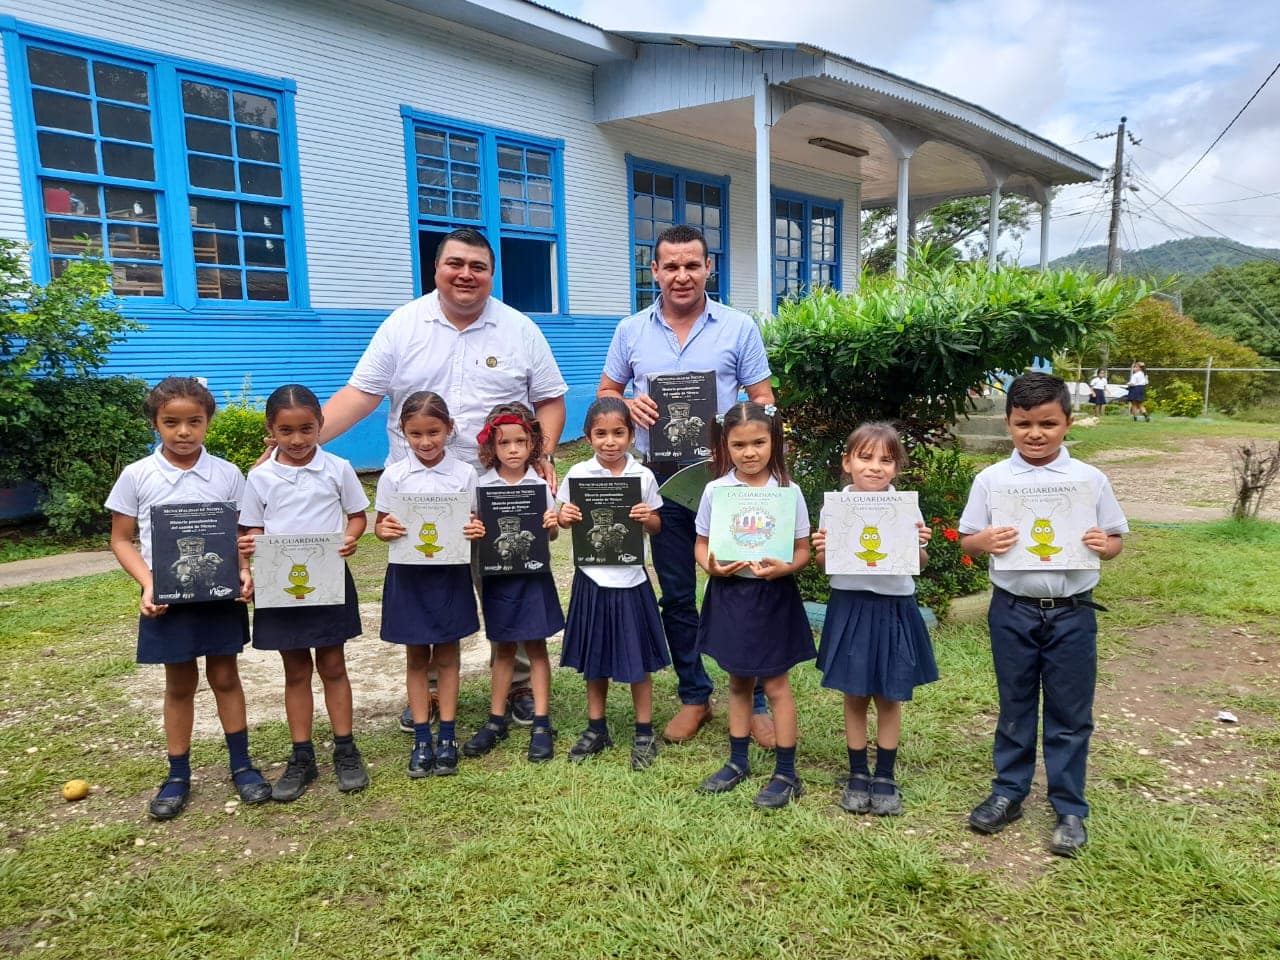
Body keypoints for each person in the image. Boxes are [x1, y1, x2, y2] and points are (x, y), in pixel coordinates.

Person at [321, 227, 568, 728]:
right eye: (456, 263)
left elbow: (549, 399)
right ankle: (431, 690)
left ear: (491, 275)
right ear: (436, 269)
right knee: (429, 587)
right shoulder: (402, 326)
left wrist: (540, 450)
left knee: (509, 580)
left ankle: (519, 682)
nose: (466, 274)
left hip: (497, 488)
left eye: (478, 267)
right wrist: (301, 441)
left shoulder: (520, 329)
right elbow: (361, 394)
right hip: (419, 493)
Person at [597, 224, 777, 747]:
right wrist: (627, 404)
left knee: (749, 581)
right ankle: (694, 694)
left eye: (691, 265)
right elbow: (607, 391)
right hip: (662, 481)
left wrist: (747, 436)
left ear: (708, 269)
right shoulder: (631, 330)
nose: (681, 275)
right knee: (677, 592)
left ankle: (757, 697)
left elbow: (762, 397)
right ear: (653, 271)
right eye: (670, 266)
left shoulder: (738, 327)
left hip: (729, 479)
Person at [959, 372, 1128, 856]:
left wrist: (1104, 545)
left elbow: (1114, 540)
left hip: (1073, 613)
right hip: (1011, 609)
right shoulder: (991, 480)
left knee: (1070, 712)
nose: (1035, 434)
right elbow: (970, 539)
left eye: (1048, 424)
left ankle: (1069, 807)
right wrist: (982, 543)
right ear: (1010, 424)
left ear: (1068, 423)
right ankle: (1008, 793)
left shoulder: (1089, 480)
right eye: (1023, 423)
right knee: (1014, 705)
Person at [106, 377, 271, 819]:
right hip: (167, 600)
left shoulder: (228, 474)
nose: (183, 432)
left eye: (194, 422)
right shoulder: (137, 475)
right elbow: (121, 539)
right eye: (171, 422)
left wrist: (243, 570)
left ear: (207, 422)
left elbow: (241, 531)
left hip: (219, 598)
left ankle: (242, 765)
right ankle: (178, 774)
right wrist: (148, 583)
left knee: (226, 678)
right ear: (155, 424)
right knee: (179, 685)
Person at [237, 385, 370, 801]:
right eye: (286, 431)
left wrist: (350, 539)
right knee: (295, 671)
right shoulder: (259, 477)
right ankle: (302, 757)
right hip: (280, 586)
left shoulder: (338, 468)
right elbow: (252, 527)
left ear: (320, 425)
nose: (296, 440)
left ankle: (346, 751)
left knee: (333, 665)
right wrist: (251, 544)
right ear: (270, 430)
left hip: (328, 580)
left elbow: (358, 516)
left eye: (306, 429)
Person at [811, 423, 937, 817]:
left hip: (894, 606)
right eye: (865, 458)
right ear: (848, 462)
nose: (875, 467)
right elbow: (822, 564)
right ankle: (857, 774)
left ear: (896, 468)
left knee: (889, 695)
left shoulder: (905, 506)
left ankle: (884, 775)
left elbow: (918, 564)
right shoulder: (835, 505)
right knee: (854, 694)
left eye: (886, 460)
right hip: (850, 605)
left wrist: (921, 546)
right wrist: (821, 548)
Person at [693, 402, 814, 808]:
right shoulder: (717, 490)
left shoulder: (787, 490)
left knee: (776, 685)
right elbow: (703, 542)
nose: (750, 452)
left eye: (759, 442)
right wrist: (711, 565)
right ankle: (738, 760)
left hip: (773, 595)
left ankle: (786, 771)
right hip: (731, 594)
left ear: (773, 440)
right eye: (739, 444)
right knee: (738, 680)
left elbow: (802, 550)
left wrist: (786, 568)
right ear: (725, 446)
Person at [373, 392, 483, 778]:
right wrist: (384, 530)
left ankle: (448, 735)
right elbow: (381, 525)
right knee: (417, 658)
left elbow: (473, 521)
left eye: (433, 432)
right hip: (409, 574)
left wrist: (475, 528)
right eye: (415, 433)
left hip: (449, 573)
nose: (425, 441)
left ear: (449, 429)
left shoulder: (464, 474)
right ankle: (422, 737)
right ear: (403, 433)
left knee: (449, 655)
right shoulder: (394, 475)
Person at [555, 398, 669, 770]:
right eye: (601, 434)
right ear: (588, 437)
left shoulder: (644, 477)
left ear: (631, 435)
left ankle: (643, 730)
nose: (610, 441)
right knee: (595, 658)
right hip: (592, 579)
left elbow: (657, 526)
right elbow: (562, 518)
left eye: (618, 433)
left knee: (638, 659)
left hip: (631, 577)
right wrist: (566, 515)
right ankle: (596, 726)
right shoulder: (578, 475)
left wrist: (647, 516)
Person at [465, 402, 563, 763]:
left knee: (535, 648)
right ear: (492, 447)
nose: (512, 450)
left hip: (533, 575)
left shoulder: (540, 485)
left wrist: (551, 526)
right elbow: (476, 533)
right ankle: (495, 719)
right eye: (504, 443)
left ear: (531, 444)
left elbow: (550, 537)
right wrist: (474, 531)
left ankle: (540, 720)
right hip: (499, 579)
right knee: (503, 646)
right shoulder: (481, 486)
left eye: (520, 441)